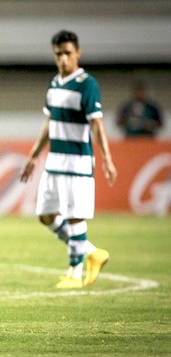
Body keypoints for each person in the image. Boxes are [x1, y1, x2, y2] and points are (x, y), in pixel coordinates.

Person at [19, 30, 118, 289]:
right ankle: (93, 253)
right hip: (54, 162)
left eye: (68, 53)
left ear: (78, 53)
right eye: (59, 54)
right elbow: (50, 122)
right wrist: (33, 155)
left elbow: (96, 124)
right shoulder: (54, 84)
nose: (63, 59)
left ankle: (74, 273)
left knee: (75, 217)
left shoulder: (87, 84)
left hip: (77, 162)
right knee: (46, 215)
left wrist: (106, 158)